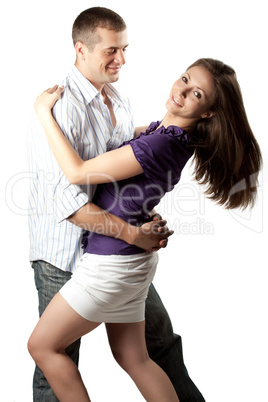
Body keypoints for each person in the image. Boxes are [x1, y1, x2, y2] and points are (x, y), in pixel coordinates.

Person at [28, 58, 262, 401]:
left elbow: (78, 172)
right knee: (134, 358)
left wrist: (43, 112)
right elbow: (124, 150)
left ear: (209, 112)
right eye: (184, 78)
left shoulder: (160, 144)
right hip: (133, 262)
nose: (180, 91)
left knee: (42, 347)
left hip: (112, 265)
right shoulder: (167, 135)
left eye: (195, 93)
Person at [27, 6, 204, 402]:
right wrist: (136, 231)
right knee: (57, 363)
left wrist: (141, 214)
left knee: (157, 348)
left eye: (124, 49)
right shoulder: (58, 108)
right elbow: (68, 202)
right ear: (81, 49)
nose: (121, 59)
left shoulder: (117, 100)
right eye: (111, 50)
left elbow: (127, 171)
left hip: (115, 253)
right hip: (65, 253)